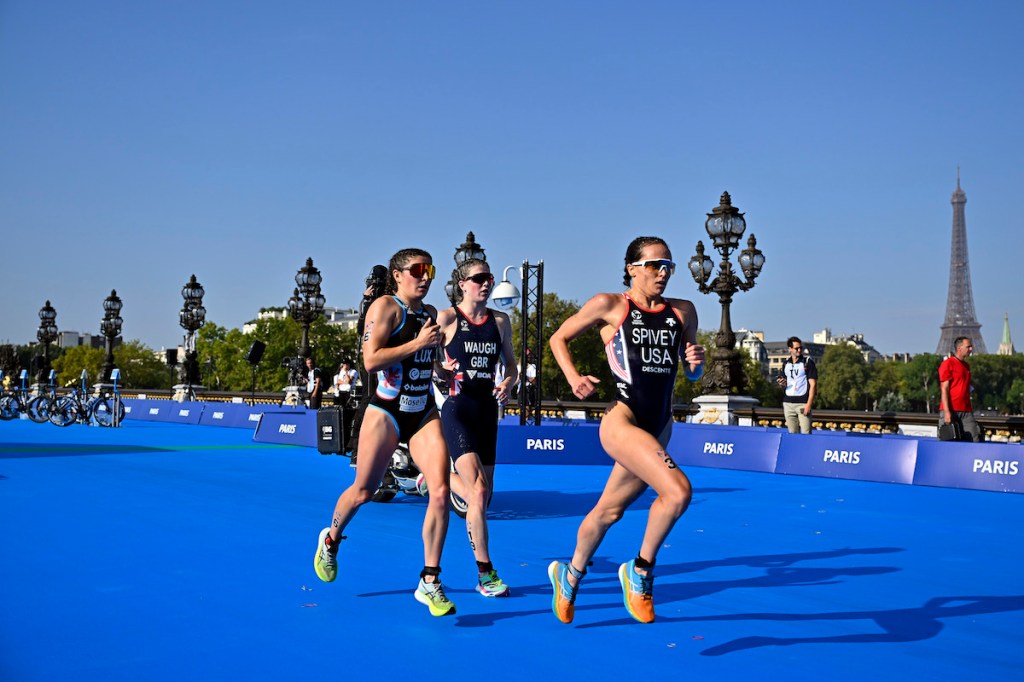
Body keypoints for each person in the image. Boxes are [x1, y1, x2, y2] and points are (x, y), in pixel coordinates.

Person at [546, 236, 704, 625]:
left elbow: (691, 371)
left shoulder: (683, 312)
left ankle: (569, 575)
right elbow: (558, 337)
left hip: (660, 426)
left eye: (668, 265)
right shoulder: (611, 305)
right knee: (679, 491)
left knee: (609, 511)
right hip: (623, 419)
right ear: (632, 268)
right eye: (654, 265)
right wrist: (573, 378)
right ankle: (641, 570)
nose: (662, 272)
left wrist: (696, 365)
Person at [313, 249, 457, 617]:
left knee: (440, 490)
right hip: (386, 412)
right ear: (397, 275)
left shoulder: (430, 314)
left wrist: (444, 369)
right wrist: (417, 344)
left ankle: (429, 580)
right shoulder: (385, 309)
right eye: (418, 270)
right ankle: (330, 539)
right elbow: (370, 360)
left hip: (423, 411)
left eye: (430, 270)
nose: (425, 277)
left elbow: (427, 361)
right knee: (364, 490)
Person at [435, 258, 518, 598]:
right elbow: (426, 361)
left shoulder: (500, 321)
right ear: (462, 284)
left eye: (490, 278)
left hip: (487, 412)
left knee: (484, 497)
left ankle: (434, 478)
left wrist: (509, 383)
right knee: (478, 492)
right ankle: (485, 573)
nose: (486, 283)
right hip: (457, 409)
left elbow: (510, 364)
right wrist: (441, 371)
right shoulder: (447, 318)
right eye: (479, 278)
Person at [938, 336, 981, 442]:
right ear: (959, 348)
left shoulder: (966, 366)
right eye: (968, 346)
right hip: (951, 409)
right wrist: (947, 412)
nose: (971, 349)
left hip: (966, 410)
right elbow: (945, 389)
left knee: (974, 439)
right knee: (947, 441)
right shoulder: (948, 364)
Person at [777, 336, 816, 434]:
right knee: (792, 434)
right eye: (796, 348)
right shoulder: (786, 363)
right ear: (790, 349)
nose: (799, 350)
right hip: (788, 403)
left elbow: (813, 385)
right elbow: (785, 383)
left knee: (806, 434)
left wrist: (809, 404)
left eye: (800, 348)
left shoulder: (807, 362)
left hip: (803, 403)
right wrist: (782, 383)